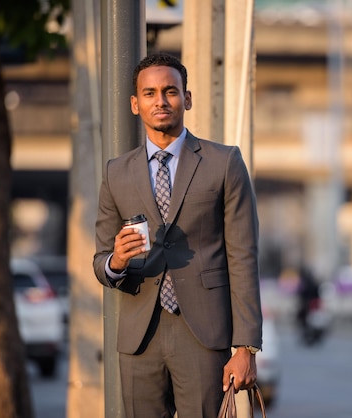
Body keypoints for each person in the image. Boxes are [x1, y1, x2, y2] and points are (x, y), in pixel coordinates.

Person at [93, 52, 262, 418]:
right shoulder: (115, 173)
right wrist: (116, 261)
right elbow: (101, 261)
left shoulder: (224, 163)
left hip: (204, 334)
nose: (161, 101)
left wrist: (245, 347)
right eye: (150, 93)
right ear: (135, 105)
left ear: (186, 98)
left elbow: (243, 255)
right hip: (140, 337)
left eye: (170, 91)